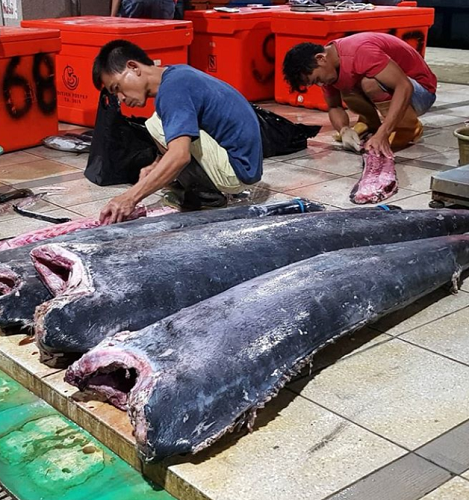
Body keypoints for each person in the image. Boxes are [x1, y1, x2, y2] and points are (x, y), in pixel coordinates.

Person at [92, 40, 263, 224]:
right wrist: (157, 164)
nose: (121, 98)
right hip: (246, 165)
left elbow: (180, 155)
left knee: (156, 125)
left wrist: (130, 198)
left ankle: (207, 196)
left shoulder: (173, 90)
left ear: (133, 67)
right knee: (163, 122)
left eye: (117, 88)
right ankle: (198, 187)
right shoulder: (177, 75)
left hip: (236, 171)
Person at [282, 32, 437, 158]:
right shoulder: (329, 65)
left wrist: (384, 133)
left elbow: (404, 86)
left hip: (422, 92)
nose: (320, 84)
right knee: (348, 84)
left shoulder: (360, 52)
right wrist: (343, 130)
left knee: (368, 83)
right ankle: (371, 123)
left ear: (320, 59)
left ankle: (408, 128)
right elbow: (334, 106)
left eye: (317, 80)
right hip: (402, 88)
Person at [110, 0, 175, 20]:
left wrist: (113, 16)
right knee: (162, 39)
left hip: (135, 3)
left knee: (129, 43)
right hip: (162, 3)